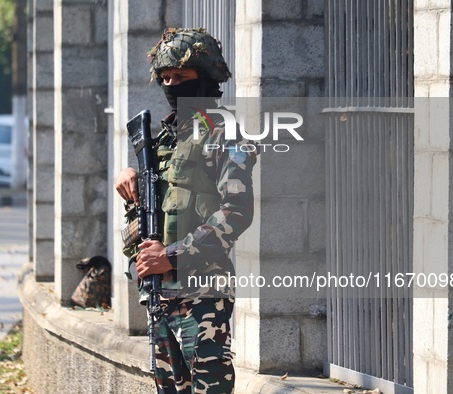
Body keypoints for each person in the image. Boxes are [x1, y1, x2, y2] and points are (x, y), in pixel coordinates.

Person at [115, 28, 257, 394]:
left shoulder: (224, 132)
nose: (171, 85)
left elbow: (237, 210)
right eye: (165, 78)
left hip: (202, 293)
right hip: (159, 293)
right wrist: (130, 179)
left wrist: (173, 257)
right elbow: (161, 205)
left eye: (181, 77)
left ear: (206, 76)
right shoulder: (163, 138)